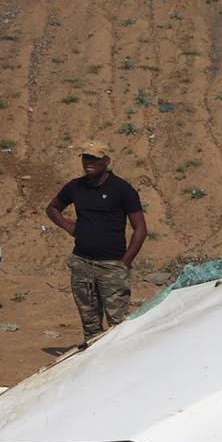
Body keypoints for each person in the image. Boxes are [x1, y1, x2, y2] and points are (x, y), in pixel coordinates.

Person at [45, 142, 146, 341]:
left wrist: (123, 264)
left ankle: (122, 366)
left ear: (106, 161)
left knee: (119, 325)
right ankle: (95, 366)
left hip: (111, 266)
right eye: (85, 158)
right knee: (90, 326)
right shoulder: (75, 187)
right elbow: (52, 208)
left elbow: (140, 229)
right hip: (81, 264)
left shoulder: (122, 189)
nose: (89, 162)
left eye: (94, 158)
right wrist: (69, 227)